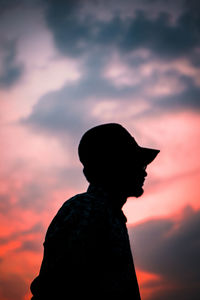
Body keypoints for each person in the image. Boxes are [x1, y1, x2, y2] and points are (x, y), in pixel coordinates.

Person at [30, 123, 159, 299]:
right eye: (137, 164)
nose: (144, 173)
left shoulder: (105, 213)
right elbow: (61, 286)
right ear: (115, 166)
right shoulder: (87, 209)